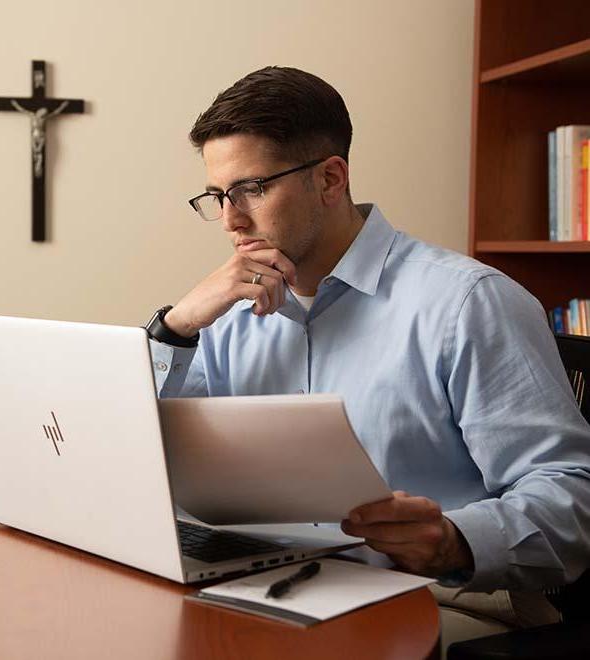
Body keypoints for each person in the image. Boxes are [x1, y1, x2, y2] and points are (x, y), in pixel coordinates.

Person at [145, 66, 590, 648]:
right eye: (218, 196)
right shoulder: (224, 313)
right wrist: (175, 328)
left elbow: (573, 495)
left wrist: (455, 538)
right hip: (264, 589)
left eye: (252, 189)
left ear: (331, 179)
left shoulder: (468, 303)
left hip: (437, 598)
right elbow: (148, 463)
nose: (231, 220)